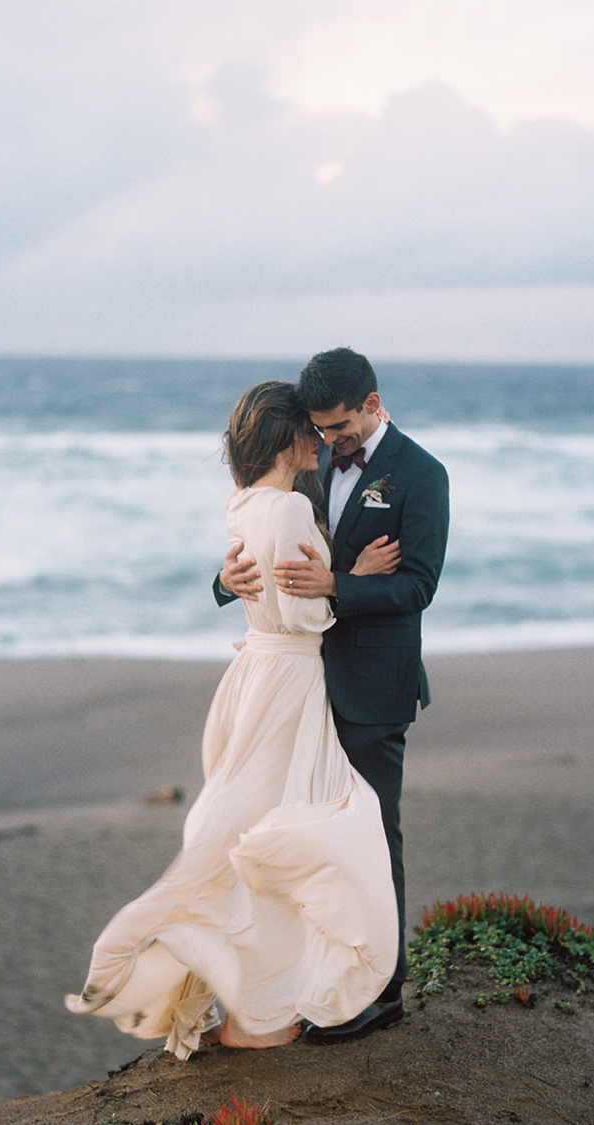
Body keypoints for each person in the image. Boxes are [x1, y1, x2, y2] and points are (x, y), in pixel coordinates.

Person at [65, 381, 400, 1057]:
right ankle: (263, 1011)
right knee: (290, 834)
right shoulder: (289, 511)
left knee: (250, 830)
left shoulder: (245, 503)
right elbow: (304, 613)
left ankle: (261, 1008)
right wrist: (352, 576)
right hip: (289, 683)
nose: (320, 440)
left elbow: (264, 586)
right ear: (285, 438)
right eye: (309, 431)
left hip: (258, 680)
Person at [216, 348, 450, 1042]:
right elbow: (277, 545)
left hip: (373, 687)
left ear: (373, 405)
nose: (328, 441)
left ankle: (382, 992)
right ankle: (320, 977)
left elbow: (418, 587)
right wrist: (228, 581)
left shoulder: (421, 474)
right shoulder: (309, 472)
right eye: (318, 430)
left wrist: (340, 587)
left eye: (341, 428)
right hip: (304, 691)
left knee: (375, 837)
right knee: (316, 841)